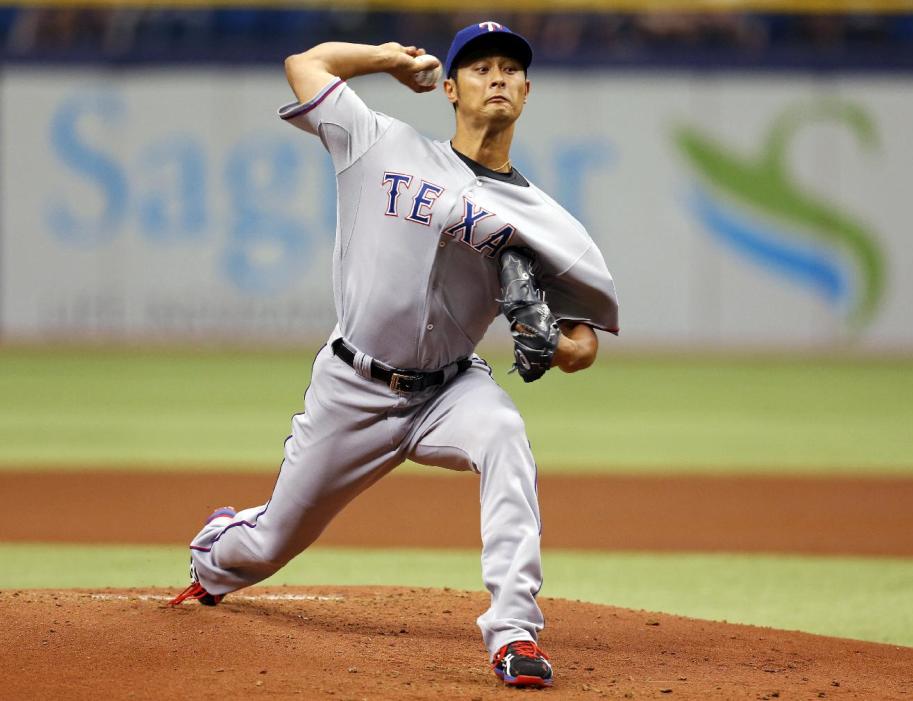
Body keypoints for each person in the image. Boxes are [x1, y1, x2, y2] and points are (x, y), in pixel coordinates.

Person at [169, 21, 619, 689]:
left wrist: (557, 345)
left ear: (525, 90)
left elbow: (584, 339)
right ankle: (214, 558)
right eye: (478, 67)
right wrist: (384, 59)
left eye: (508, 68)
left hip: (450, 390)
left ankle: (513, 631)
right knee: (266, 545)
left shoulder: (551, 225)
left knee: (504, 435)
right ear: (448, 87)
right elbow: (305, 64)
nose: (495, 76)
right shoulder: (381, 143)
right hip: (352, 385)